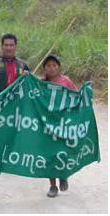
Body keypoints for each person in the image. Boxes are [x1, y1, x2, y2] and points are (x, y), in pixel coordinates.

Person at [41, 54, 76, 198]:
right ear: (44, 68)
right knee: (49, 155)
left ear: (59, 67)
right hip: (46, 125)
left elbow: (77, 96)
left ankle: (63, 175)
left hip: (62, 124)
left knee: (62, 152)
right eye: (48, 65)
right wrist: (26, 77)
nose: (51, 68)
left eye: (54, 65)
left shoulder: (65, 81)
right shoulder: (40, 82)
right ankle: (52, 186)